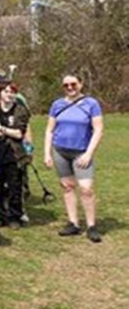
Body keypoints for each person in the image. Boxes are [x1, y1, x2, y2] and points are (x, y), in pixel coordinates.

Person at [44, 74, 104, 243]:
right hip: (60, 151)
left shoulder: (91, 104)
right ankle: (73, 224)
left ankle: (91, 226)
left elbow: (98, 129)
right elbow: (49, 130)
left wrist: (88, 153)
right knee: (67, 186)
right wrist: (47, 153)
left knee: (86, 188)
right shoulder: (57, 105)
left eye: (73, 84)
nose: (70, 87)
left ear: (81, 84)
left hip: (81, 152)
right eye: (66, 85)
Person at [0, 83, 30, 229]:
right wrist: (6, 131)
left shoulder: (20, 110)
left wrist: (1, 129)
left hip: (14, 154)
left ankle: (14, 216)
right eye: (6, 91)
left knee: (15, 187)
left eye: (12, 92)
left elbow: (19, 133)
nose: (9, 94)